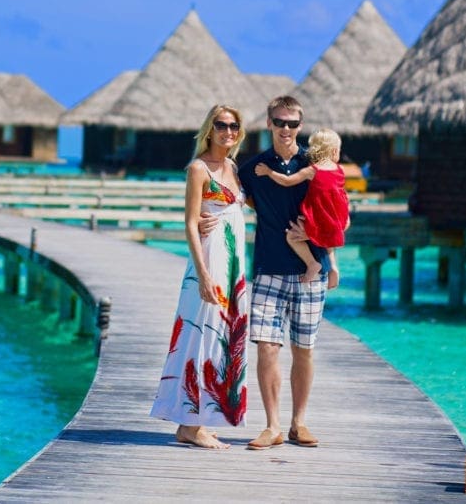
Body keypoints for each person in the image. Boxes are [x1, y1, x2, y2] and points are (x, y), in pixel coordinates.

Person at [150, 105, 249, 449]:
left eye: (234, 126)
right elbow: (191, 223)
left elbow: (234, 209)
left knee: (222, 335)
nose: (228, 131)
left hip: (233, 264)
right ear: (209, 129)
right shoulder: (199, 169)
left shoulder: (233, 167)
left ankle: (200, 419)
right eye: (221, 125)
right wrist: (204, 275)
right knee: (200, 333)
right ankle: (189, 424)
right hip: (210, 263)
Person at [237, 95, 329, 450]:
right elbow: (235, 199)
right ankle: (272, 425)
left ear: (300, 126)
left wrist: (318, 235)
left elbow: (340, 214)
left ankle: (298, 423)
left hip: (310, 272)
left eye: (293, 123)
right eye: (280, 122)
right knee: (266, 348)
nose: (286, 129)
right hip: (269, 269)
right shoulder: (253, 167)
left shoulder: (315, 164)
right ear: (269, 124)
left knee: (303, 349)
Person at [254, 127, 350, 289]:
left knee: (292, 236)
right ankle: (333, 266)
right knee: (328, 238)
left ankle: (312, 263)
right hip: (337, 217)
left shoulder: (312, 171)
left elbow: (287, 180)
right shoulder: (339, 170)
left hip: (318, 217)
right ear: (334, 152)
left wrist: (268, 172)